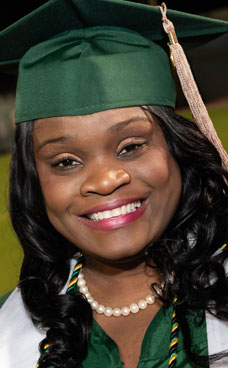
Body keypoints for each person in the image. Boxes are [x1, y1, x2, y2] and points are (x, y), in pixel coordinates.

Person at [0, 0, 228, 367]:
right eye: (65, 161)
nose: (105, 181)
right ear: (35, 181)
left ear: (177, 149)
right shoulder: (7, 340)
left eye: (131, 147)